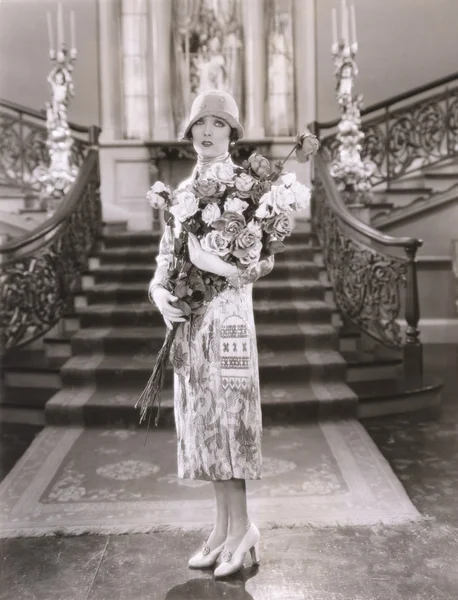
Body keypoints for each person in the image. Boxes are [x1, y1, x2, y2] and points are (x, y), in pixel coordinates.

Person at [148, 90, 274, 578]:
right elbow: (166, 256)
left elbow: (260, 261)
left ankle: (243, 529)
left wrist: (213, 262)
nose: (208, 131)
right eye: (201, 122)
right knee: (204, 422)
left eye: (219, 123)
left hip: (230, 321)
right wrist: (160, 293)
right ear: (190, 132)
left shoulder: (249, 188)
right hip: (191, 324)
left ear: (233, 133)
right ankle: (223, 529)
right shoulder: (180, 194)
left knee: (233, 419)